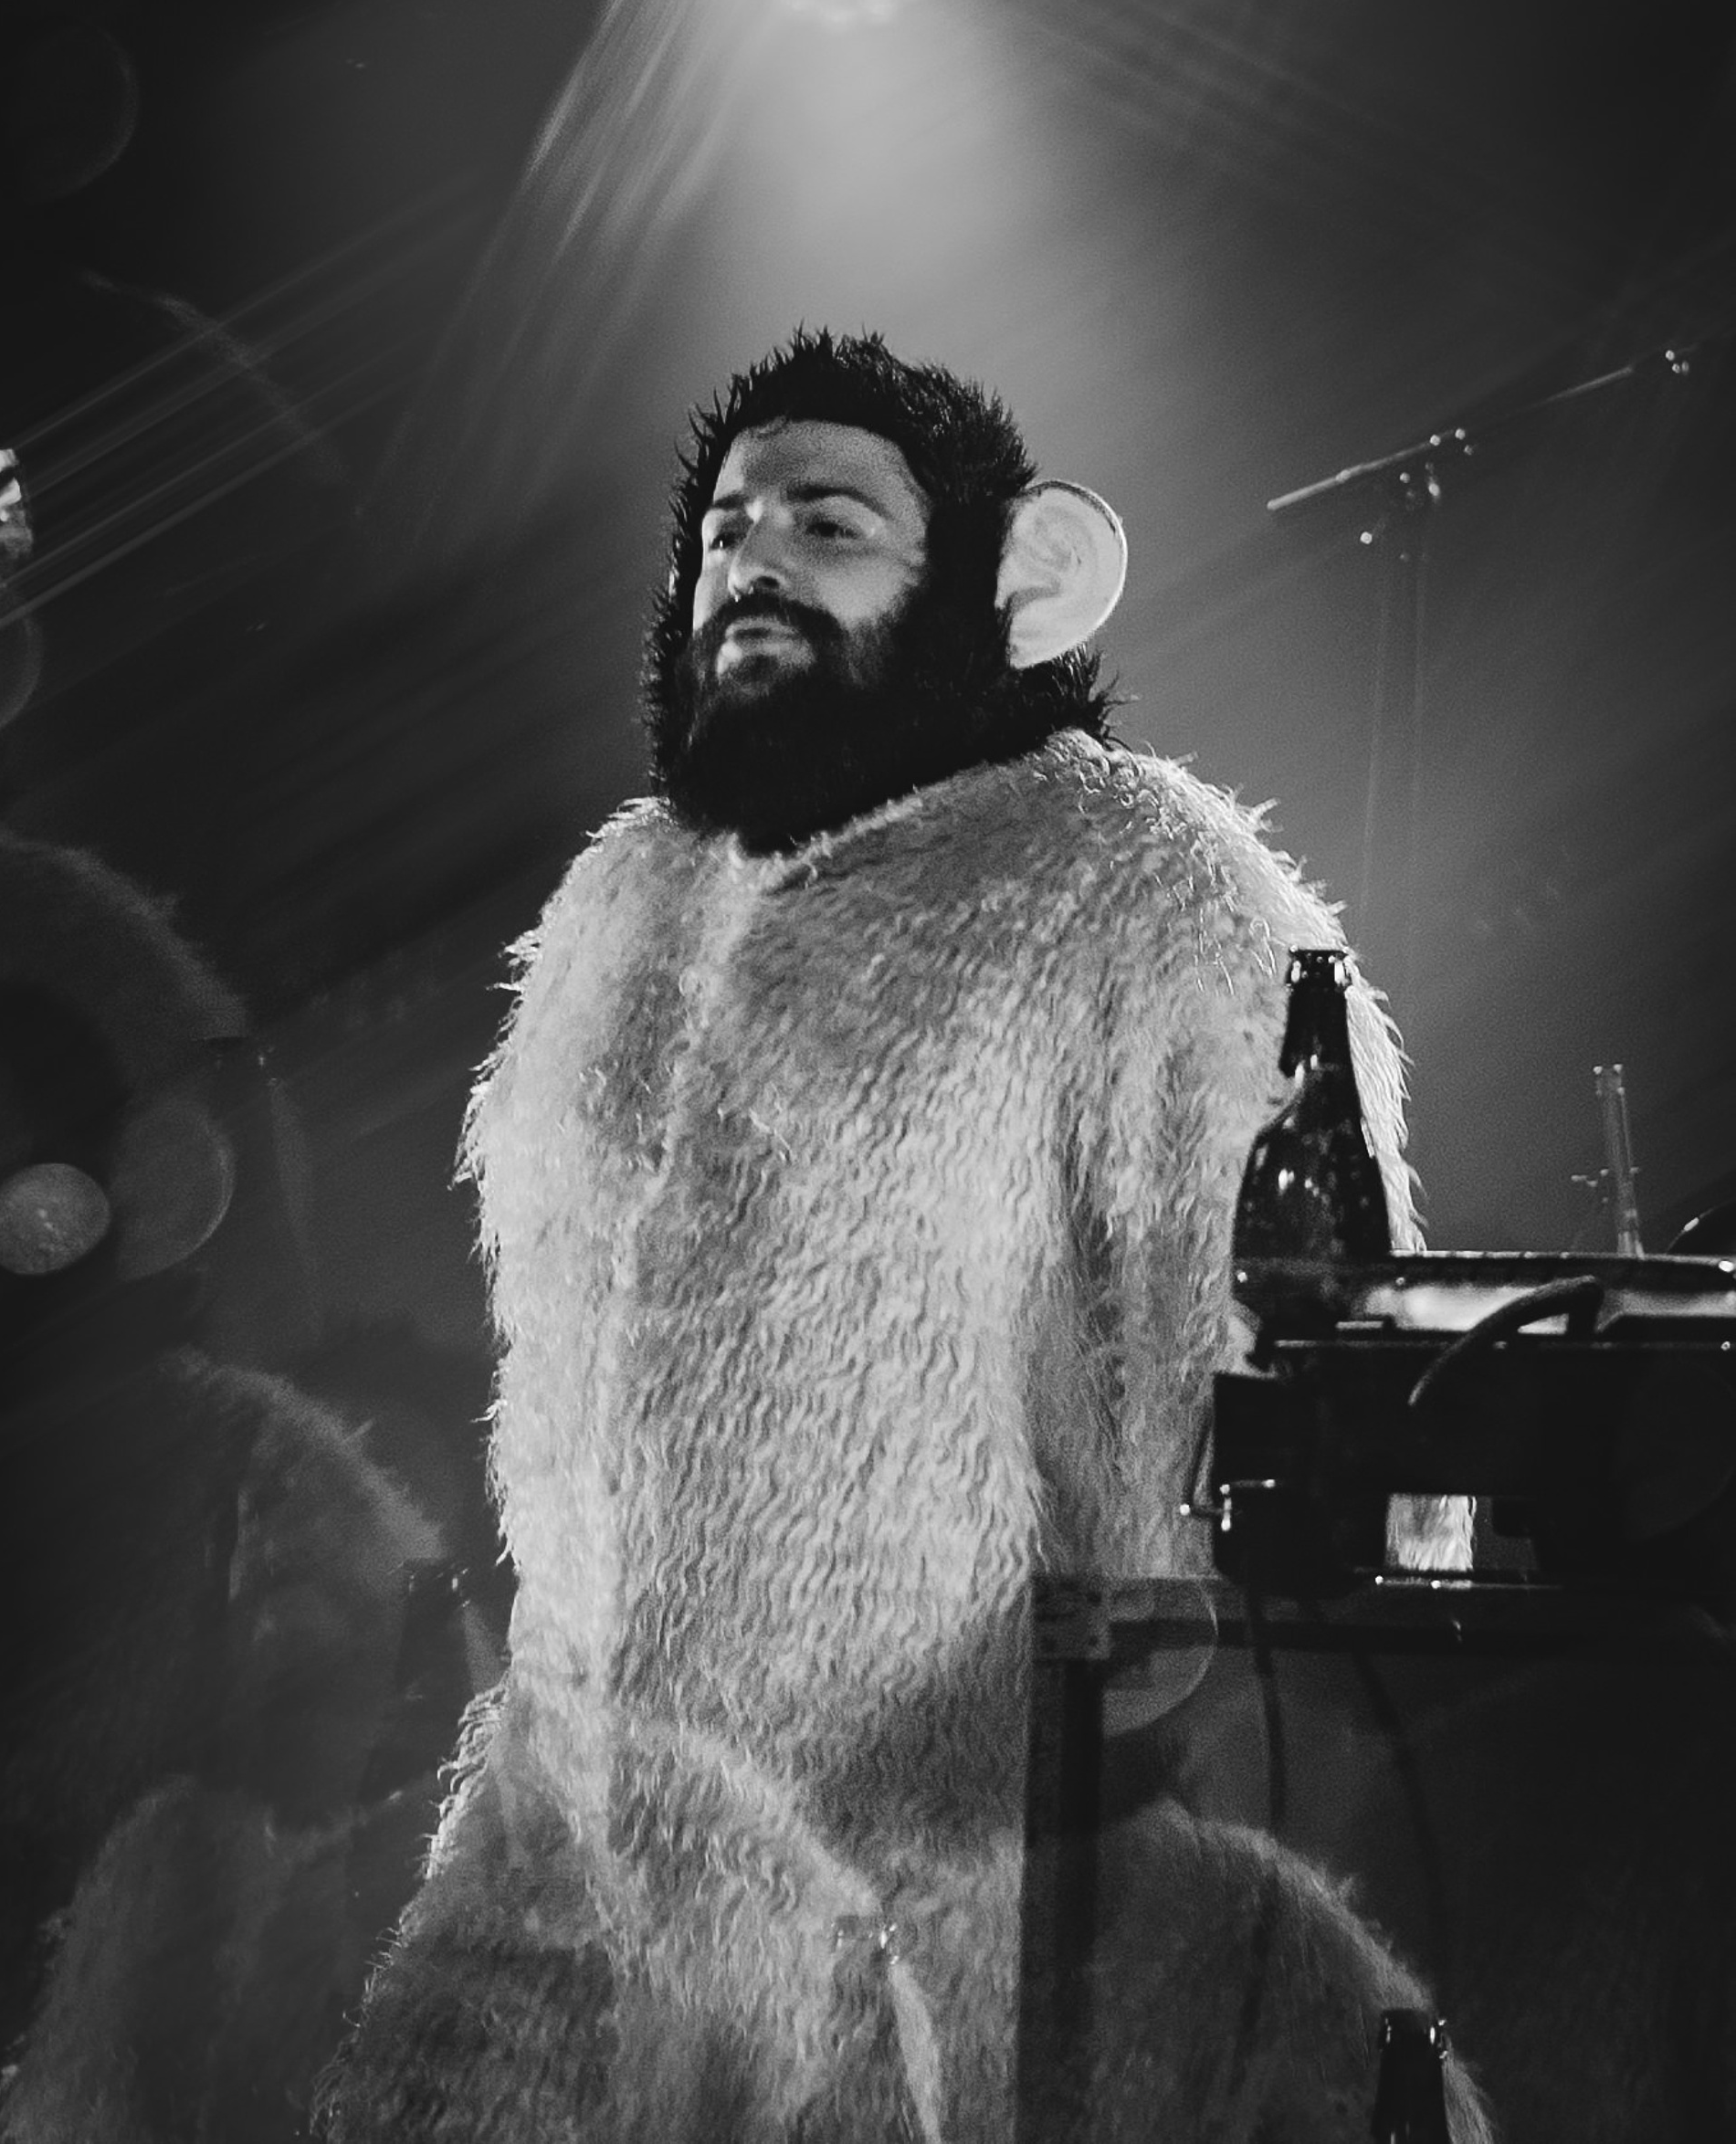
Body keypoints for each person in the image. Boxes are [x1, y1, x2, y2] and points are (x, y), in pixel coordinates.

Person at [321, 330, 1485, 2144]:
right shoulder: (624, 898)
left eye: (830, 524)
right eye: (724, 530)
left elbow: (1286, 1384)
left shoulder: (1140, 877)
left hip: (968, 1881)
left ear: (1006, 587)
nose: (752, 564)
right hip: (566, 1866)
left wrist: (1124, 1759)